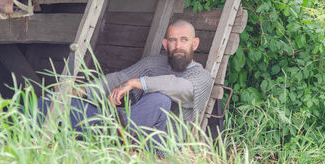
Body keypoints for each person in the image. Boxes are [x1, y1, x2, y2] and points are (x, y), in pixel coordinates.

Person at [37, 19, 213, 145]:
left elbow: (179, 86)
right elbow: (119, 78)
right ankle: (16, 116)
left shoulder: (202, 77)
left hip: (159, 142)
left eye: (184, 40)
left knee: (160, 99)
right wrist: (82, 90)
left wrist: (137, 83)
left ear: (195, 44)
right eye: (173, 40)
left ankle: (110, 130)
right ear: (165, 44)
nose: (178, 46)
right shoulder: (154, 63)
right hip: (120, 123)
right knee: (58, 103)